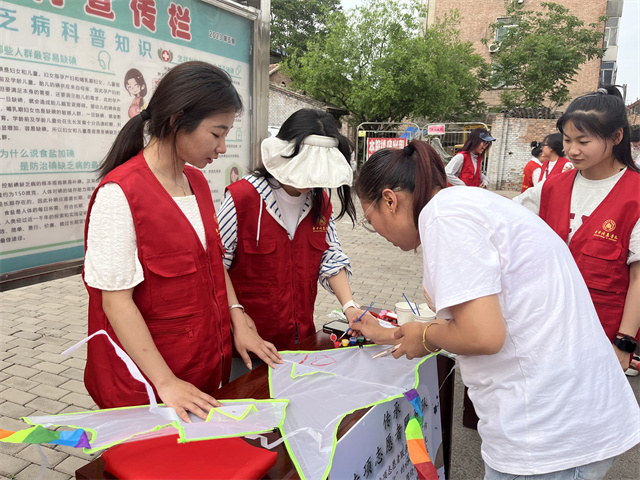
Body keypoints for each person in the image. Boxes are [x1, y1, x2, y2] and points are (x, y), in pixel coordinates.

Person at [349, 139, 639, 479]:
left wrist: (426, 336)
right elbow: (478, 318)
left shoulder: (444, 217)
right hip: (568, 416)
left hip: (548, 434)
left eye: (371, 220)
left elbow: (482, 335)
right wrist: (390, 333)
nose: (377, 233)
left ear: (390, 200)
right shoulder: (465, 203)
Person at [83, 61, 282, 422]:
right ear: (177, 120)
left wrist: (238, 319)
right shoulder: (119, 194)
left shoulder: (199, 184)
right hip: (148, 388)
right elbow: (116, 304)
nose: (222, 148)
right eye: (216, 134)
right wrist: (166, 381)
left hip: (203, 373)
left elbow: (211, 260)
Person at [218, 108, 373, 376]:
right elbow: (216, 264)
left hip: (300, 342)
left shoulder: (319, 202)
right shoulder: (242, 198)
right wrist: (237, 317)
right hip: (247, 347)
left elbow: (329, 256)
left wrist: (349, 306)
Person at [514, 86, 640, 376]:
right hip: (546, 328)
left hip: (601, 336)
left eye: (583, 141)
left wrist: (624, 342)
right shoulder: (552, 186)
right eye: (568, 140)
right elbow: (504, 220)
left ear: (617, 137)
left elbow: (638, 279)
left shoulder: (635, 196)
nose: (572, 150)